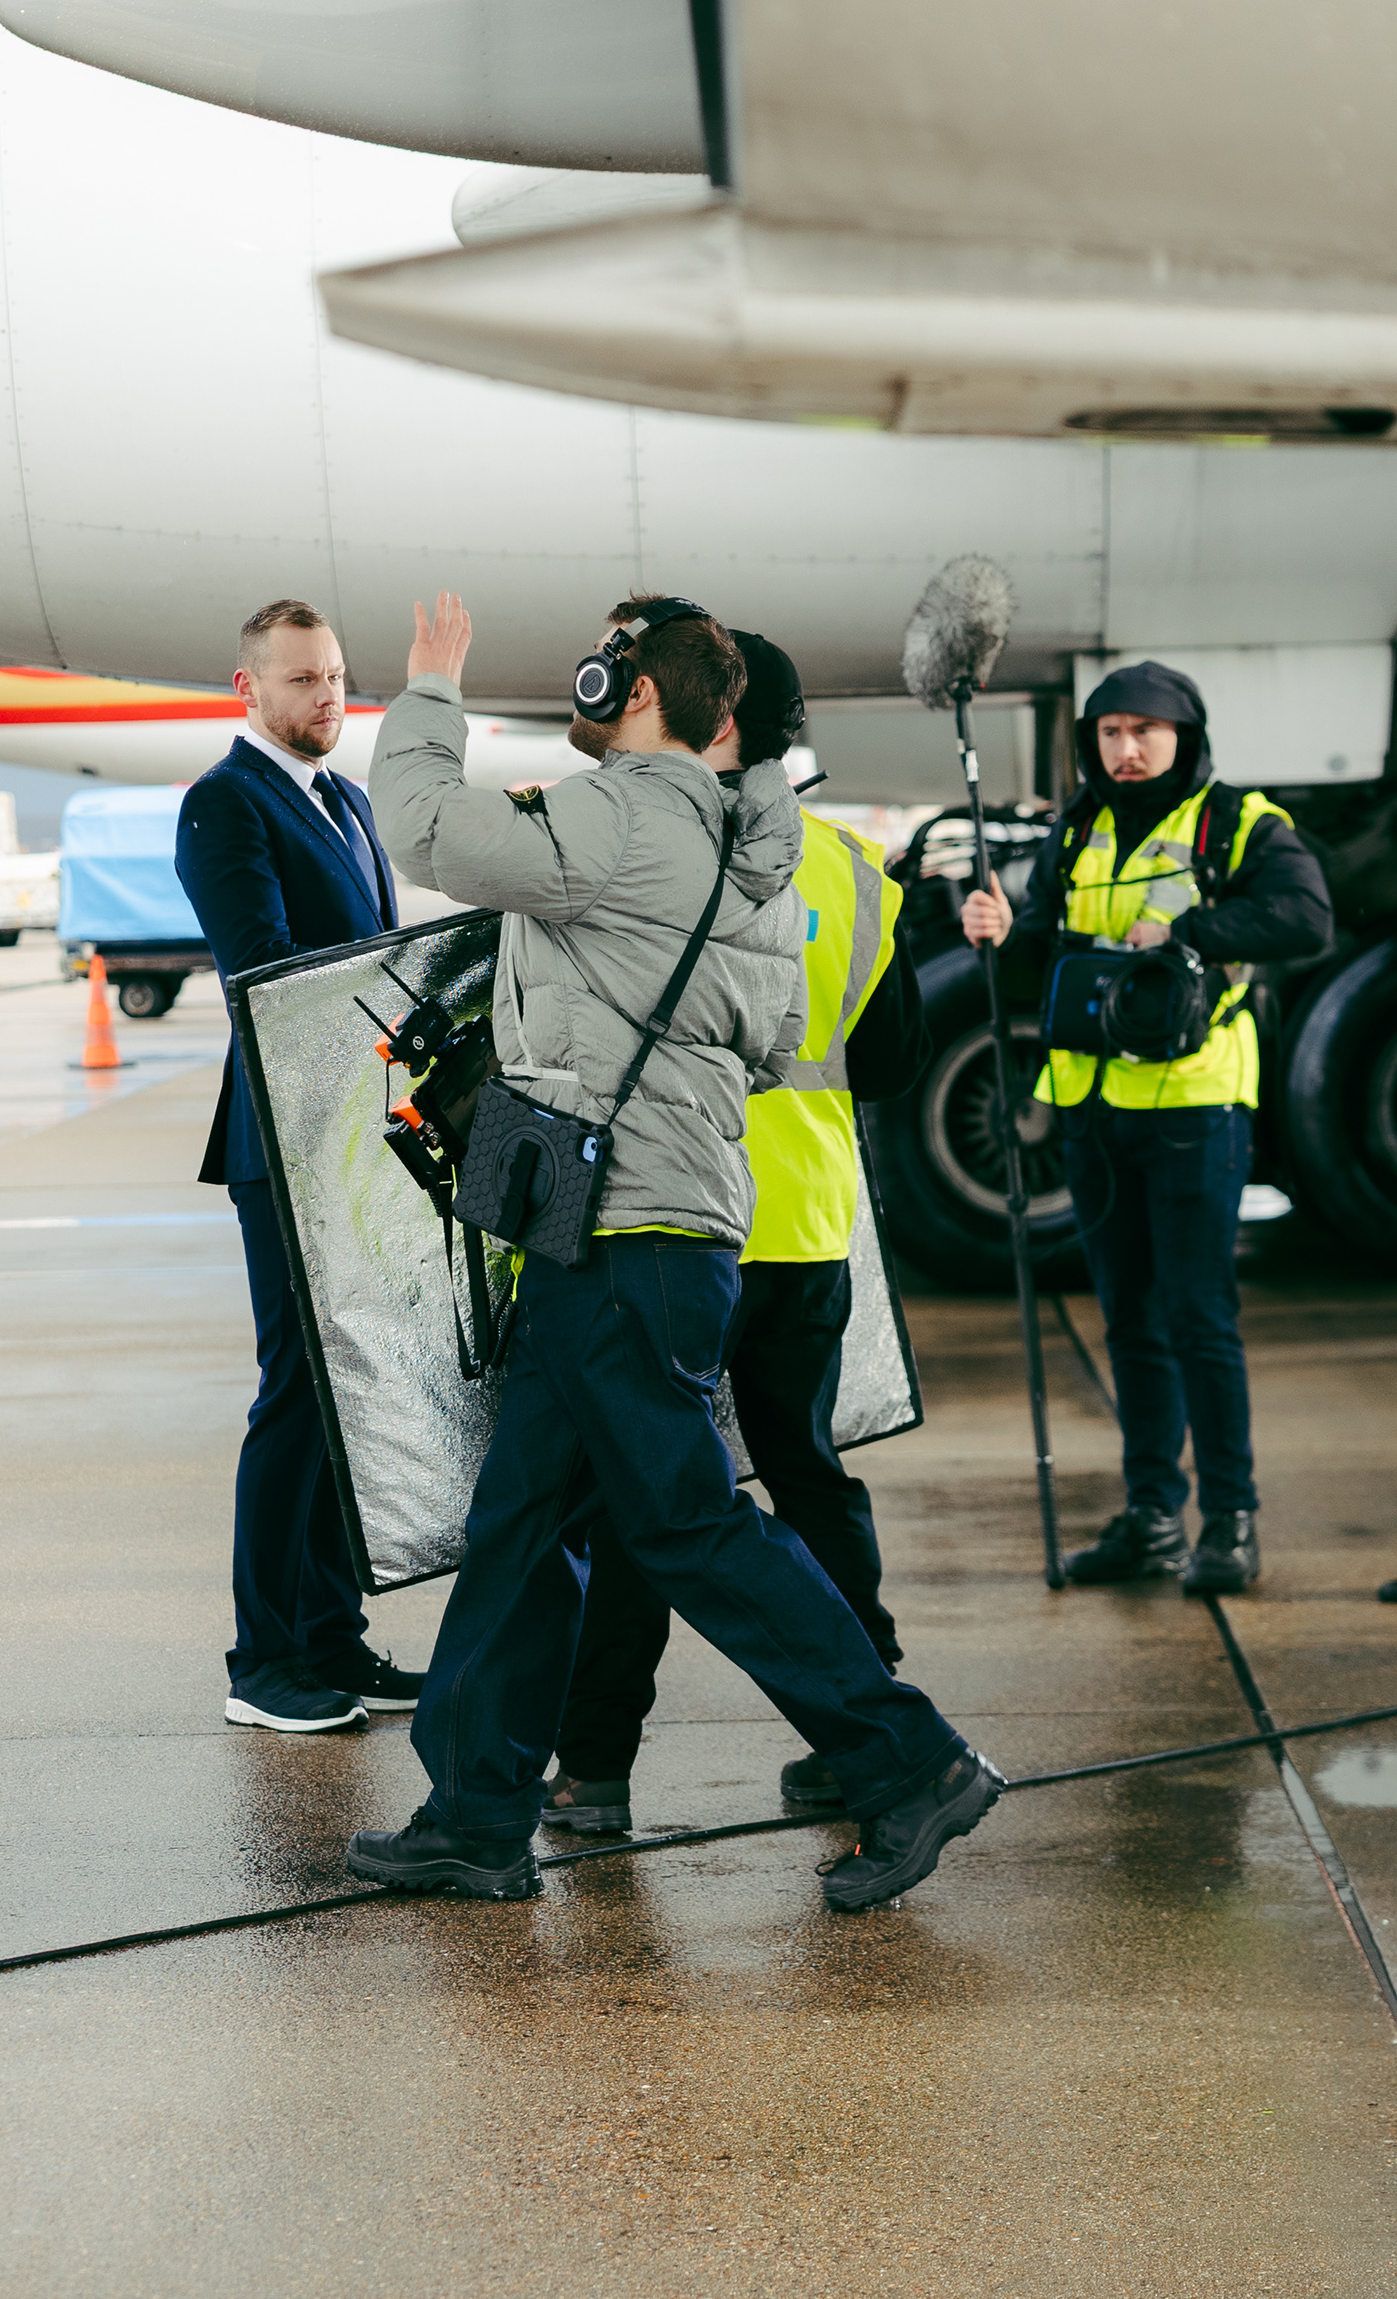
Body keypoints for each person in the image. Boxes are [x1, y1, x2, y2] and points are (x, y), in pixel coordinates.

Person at [349, 592, 1001, 1912]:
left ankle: (909, 1758)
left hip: (622, 1236)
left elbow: (423, 828)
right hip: (645, 1225)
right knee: (523, 1526)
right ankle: (476, 1815)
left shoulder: (623, 816)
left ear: (638, 694)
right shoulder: (753, 853)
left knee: (690, 1524)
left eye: (609, 663)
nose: (590, 680)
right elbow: (771, 1044)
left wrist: (431, 688)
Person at [537, 630, 928, 1837]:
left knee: (644, 1502)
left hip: (673, 1217)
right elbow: (893, 1061)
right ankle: (862, 1732)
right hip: (806, 1223)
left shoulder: (654, 845)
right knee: (807, 1477)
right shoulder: (853, 867)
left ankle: (595, 1768)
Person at [960, 660, 1332, 1595]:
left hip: (1194, 1110)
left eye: (1145, 731)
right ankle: (1153, 1518)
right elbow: (1041, 952)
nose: (1126, 749)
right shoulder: (1076, 828)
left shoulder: (1236, 824)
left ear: (1183, 736)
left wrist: (1191, 931)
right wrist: (1000, 929)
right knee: (1129, 1321)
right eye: (1110, 732)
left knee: (1200, 1318)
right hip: (1092, 1111)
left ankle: (1231, 1522)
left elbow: (1306, 919)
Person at [175, 598, 424, 1732]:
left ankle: (330, 1636)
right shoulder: (225, 803)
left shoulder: (349, 801)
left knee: (342, 1395)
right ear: (249, 689)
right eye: (301, 680)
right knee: (294, 1391)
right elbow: (265, 975)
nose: (327, 697)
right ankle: (263, 1660)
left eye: (333, 676)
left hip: (359, 1141)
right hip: (284, 1138)